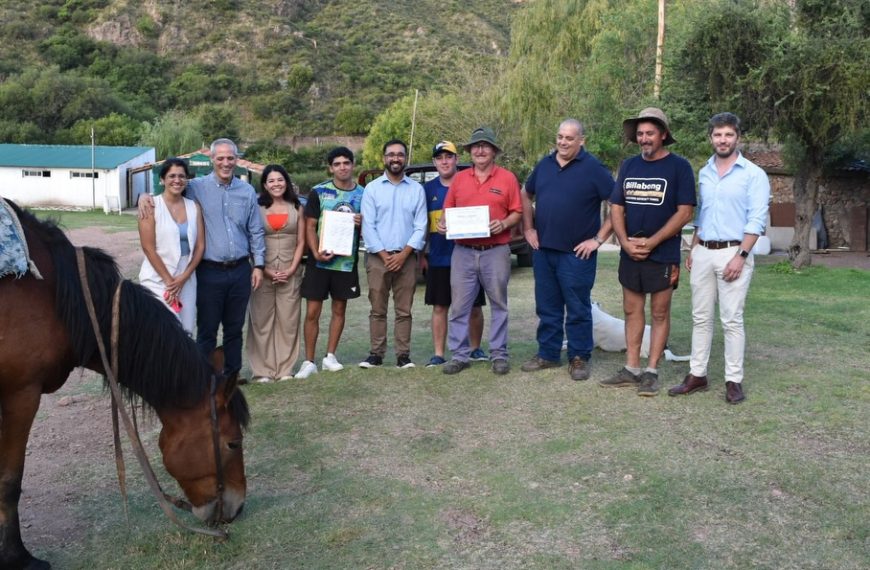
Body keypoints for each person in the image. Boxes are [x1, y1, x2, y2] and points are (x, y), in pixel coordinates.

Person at [139, 138, 265, 381]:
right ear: (212, 160)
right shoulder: (195, 187)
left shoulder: (247, 191)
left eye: (231, 158)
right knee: (206, 329)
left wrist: (258, 265)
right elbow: (169, 189)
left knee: (234, 328)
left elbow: (256, 230)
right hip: (209, 271)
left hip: (240, 269)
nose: (226, 163)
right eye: (221, 158)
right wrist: (144, 195)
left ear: (236, 160)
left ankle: (231, 373)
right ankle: (204, 374)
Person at [668, 112, 770, 404]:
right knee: (700, 317)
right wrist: (694, 247)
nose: (722, 140)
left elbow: (757, 220)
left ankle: (733, 380)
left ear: (738, 137)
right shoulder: (705, 171)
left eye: (728, 135)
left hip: (734, 251)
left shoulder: (753, 174)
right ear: (710, 137)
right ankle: (696, 375)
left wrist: (741, 256)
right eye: (717, 135)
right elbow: (704, 214)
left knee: (731, 319)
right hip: (703, 251)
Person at [600, 108, 695, 396]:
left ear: (663, 135)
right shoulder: (628, 166)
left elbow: (685, 211)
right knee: (631, 309)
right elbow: (617, 206)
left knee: (660, 312)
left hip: (662, 252)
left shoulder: (679, 167)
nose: (644, 139)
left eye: (650, 133)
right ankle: (632, 368)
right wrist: (625, 241)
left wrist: (653, 241)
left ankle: (651, 371)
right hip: (630, 251)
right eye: (640, 134)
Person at [520, 119, 615, 381]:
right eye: (560, 137)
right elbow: (525, 194)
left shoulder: (593, 168)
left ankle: (578, 357)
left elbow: (617, 204)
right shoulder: (545, 164)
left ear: (581, 141)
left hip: (576, 254)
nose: (562, 142)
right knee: (547, 307)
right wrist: (528, 228)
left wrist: (597, 240)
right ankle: (548, 354)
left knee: (577, 307)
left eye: (569, 138)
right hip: (544, 251)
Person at [438, 127, 522, 376]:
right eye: (476, 146)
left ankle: (499, 354)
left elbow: (517, 211)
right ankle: (460, 355)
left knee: (499, 304)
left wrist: (504, 223)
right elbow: (447, 213)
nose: (480, 150)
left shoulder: (507, 178)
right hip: (463, 251)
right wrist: (444, 226)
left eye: (485, 146)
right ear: (470, 152)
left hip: (495, 250)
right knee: (459, 307)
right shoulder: (460, 180)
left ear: (494, 151)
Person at [295, 147, 365, 379]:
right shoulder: (319, 191)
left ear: (353, 164)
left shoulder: (363, 194)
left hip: (345, 263)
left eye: (346, 163)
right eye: (337, 164)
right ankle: (308, 361)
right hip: (320, 262)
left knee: (339, 309)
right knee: (312, 311)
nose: (342, 167)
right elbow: (309, 225)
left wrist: (360, 223)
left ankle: (330, 356)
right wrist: (315, 252)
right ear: (330, 167)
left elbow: (369, 227)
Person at [359, 139, 427, 369]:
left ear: (405, 158)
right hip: (378, 258)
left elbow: (421, 226)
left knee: (404, 310)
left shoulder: (416, 189)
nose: (395, 158)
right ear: (384, 158)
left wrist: (404, 254)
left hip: (406, 258)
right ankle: (376, 354)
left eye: (400, 154)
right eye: (391, 154)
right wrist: (385, 255)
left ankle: (403, 355)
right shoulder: (372, 189)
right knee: (377, 308)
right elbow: (368, 225)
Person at [421, 141, 487, 367]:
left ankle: (475, 349)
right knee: (440, 306)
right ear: (434, 162)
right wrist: (422, 253)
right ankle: (439, 353)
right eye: (439, 158)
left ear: (457, 159)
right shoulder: (427, 190)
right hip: (439, 258)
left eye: (449, 157)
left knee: (474, 306)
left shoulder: (469, 183)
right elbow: (421, 224)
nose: (444, 161)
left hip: (469, 255)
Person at [246, 164, 306, 383]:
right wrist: (264, 269)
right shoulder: (256, 207)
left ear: (286, 182)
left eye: (280, 180)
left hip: (291, 271)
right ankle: (262, 370)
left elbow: (301, 242)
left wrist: (291, 269)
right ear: (264, 185)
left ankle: (284, 369)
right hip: (262, 272)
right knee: (261, 321)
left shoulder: (297, 207)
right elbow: (251, 242)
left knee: (288, 321)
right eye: (271, 181)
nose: (276, 184)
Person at [138, 158, 204, 335]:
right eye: (172, 176)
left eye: (182, 176)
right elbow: (148, 248)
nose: (177, 180)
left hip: (186, 277)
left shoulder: (194, 207)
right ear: (162, 180)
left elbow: (200, 246)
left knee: (186, 330)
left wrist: (184, 277)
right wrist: (169, 281)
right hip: (157, 276)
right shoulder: (151, 205)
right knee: (162, 331)